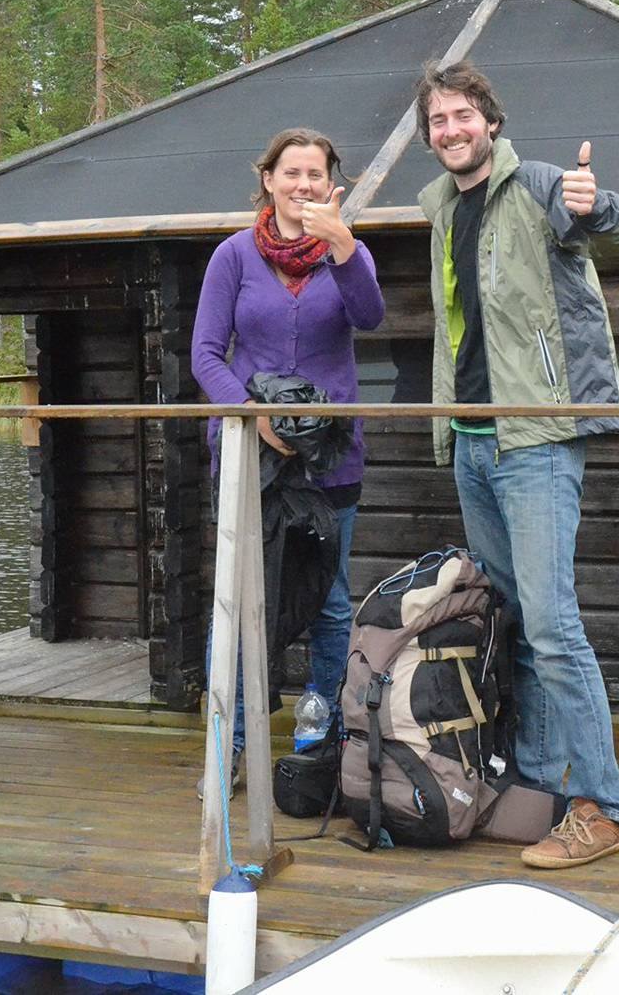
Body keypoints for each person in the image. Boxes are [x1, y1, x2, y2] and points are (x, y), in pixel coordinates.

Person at [414, 60, 619, 869]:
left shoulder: (543, 185)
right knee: (511, 621)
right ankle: (542, 788)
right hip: (473, 441)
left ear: (491, 122)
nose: (451, 130)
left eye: (462, 115)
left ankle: (604, 808)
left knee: (552, 625)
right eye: (438, 120)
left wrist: (597, 203)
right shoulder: (443, 210)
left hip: (539, 439)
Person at [192, 127, 386, 783]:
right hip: (253, 460)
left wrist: (344, 247)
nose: (303, 185)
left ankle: (316, 738)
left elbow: (371, 316)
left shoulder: (347, 251)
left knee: (329, 602)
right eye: (292, 173)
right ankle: (230, 745)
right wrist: (257, 417)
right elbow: (205, 355)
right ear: (268, 179)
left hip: (332, 460)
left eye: (315, 174)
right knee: (239, 601)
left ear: (332, 183)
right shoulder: (233, 256)